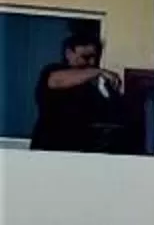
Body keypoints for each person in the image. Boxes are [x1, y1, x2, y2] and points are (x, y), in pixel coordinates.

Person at [26, 23, 136, 154]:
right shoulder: (53, 71)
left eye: (95, 57)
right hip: (48, 149)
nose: (91, 62)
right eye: (86, 57)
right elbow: (57, 80)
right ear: (69, 53)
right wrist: (97, 72)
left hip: (79, 153)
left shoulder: (94, 85)